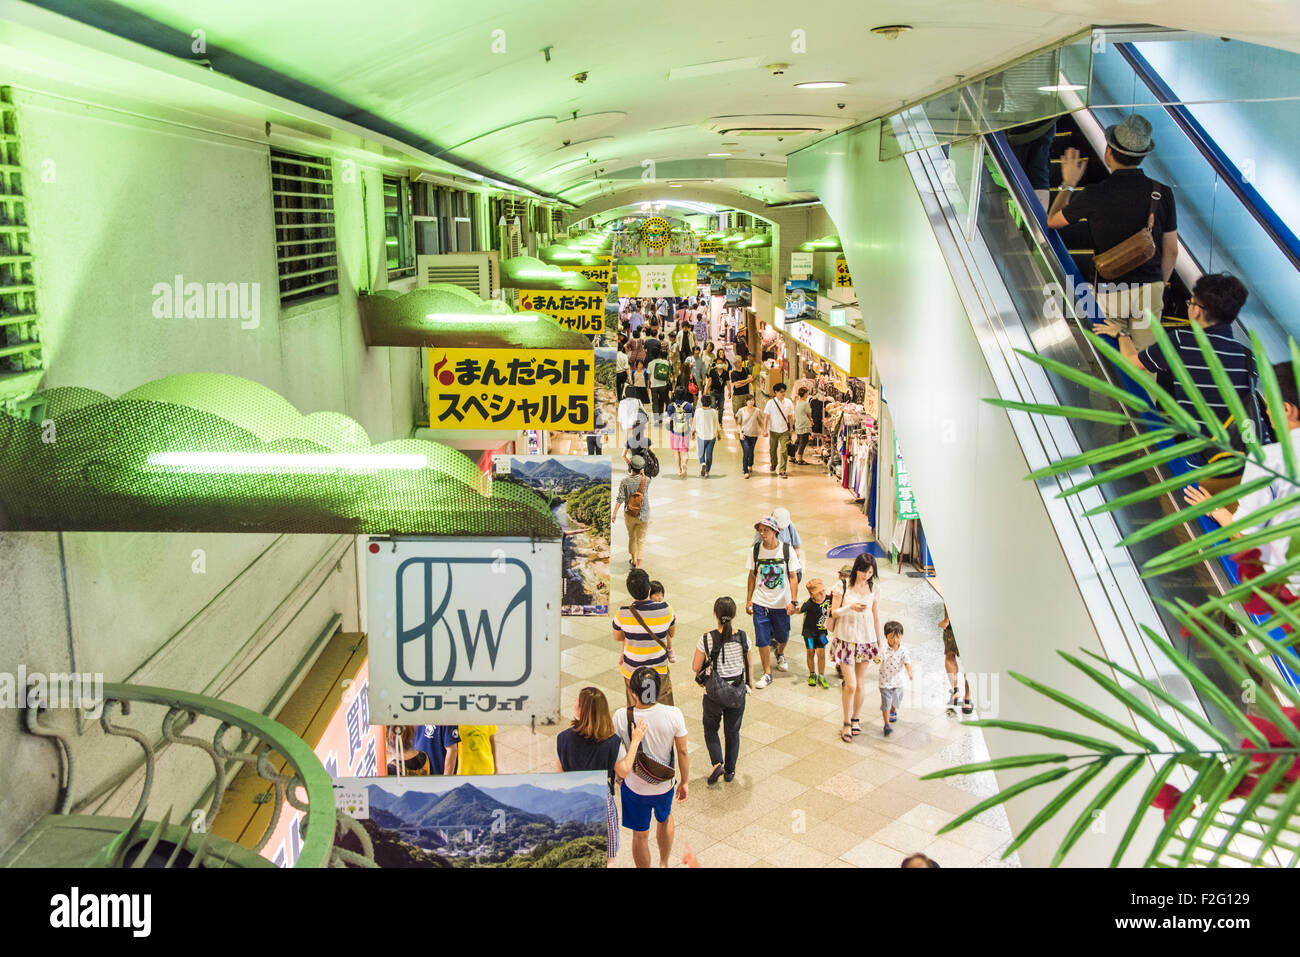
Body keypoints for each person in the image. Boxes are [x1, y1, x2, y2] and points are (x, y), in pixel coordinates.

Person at [1099, 273, 1260, 502]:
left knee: (1168, 496)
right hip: (1241, 470)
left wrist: (1122, 333)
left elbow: (1132, 364)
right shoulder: (1248, 357)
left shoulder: (1183, 341)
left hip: (1199, 463)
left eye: (1190, 302)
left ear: (1197, 310)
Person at [1047, 113, 1178, 351]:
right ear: (1143, 155)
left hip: (1110, 288)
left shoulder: (1095, 194)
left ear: (1109, 151)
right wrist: (1158, 285)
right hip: (1150, 289)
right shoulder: (1161, 193)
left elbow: (1053, 221)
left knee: (1111, 358)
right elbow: (1171, 251)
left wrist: (1068, 183)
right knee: (1146, 362)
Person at [1185, 360, 1300, 592]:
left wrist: (1214, 509)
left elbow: (1244, 535)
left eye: (1269, 404)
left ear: (1287, 409)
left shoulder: (1269, 459)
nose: (1267, 412)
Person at [613, 667, 688, 868]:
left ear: (632, 691)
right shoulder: (674, 714)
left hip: (634, 787)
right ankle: (664, 863)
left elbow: (614, 751)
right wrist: (685, 781)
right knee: (665, 819)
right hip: (664, 785)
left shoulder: (621, 716)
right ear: (659, 689)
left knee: (640, 835)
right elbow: (682, 752)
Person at [556, 687, 624, 862]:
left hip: (573, 804)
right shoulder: (613, 742)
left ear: (582, 711)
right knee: (606, 857)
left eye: (577, 703)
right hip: (601, 804)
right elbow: (623, 771)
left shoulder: (563, 739)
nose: (574, 704)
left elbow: (559, 776)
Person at [692, 596, 754, 784]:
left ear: (715, 614)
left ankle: (717, 763)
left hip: (713, 694)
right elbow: (749, 665)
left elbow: (696, 667)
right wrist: (749, 685)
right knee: (732, 732)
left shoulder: (706, 638)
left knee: (710, 729)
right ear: (734, 615)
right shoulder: (743, 637)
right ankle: (730, 771)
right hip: (736, 693)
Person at [829, 553, 884, 742]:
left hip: (866, 640)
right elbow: (834, 612)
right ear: (856, 569)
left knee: (860, 683)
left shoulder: (874, 589)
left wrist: (879, 643)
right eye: (863, 571)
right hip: (845, 640)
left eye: (869, 572)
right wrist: (850, 607)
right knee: (850, 684)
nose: (865, 575)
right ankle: (845, 721)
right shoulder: (842, 586)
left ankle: (855, 718)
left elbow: (875, 616)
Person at [746, 516, 802, 688]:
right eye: (760, 530)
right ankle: (767, 673)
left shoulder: (786, 550)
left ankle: (780, 653)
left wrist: (793, 601)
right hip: (761, 602)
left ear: (775, 532)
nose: (762, 534)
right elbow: (752, 575)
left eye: (766, 530)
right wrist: (749, 600)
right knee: (762, 639)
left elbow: (793, 576)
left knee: (783, 635)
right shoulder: (755, 550)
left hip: (782, 603)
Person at [613, 569, 677, 707]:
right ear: (649, 588)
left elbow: (617, 637)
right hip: (658, 669)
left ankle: (636, 728)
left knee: (635, 706)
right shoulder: (666, 609)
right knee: (663, 705)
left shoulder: (622, 613)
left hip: (632, 670)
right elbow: (671, 632)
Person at [877, 621, 913, 736]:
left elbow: (907, 662)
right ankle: (886, 724)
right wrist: (876, 659)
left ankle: (893, 710)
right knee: (886, 702)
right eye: (892, 637)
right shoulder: (883, 649)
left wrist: (909, 672)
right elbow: (878, 658)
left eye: (898, 637)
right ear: (886, 636)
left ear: (901, 636)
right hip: (885, 681)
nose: (895, 640)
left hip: (898, 681)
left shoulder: (903, 650)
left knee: (897, 699)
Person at [939, 607, 973, 715]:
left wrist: (947, 619)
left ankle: (955, 690)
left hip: (954, 622)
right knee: (970, 662)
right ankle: (967, 700)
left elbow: (948, 593)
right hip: (973, 624)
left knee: (950, 655)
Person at [799, 578, 832, 689]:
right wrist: (790, 610)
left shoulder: (828, 599)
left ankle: (821, 675)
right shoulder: (809, 603)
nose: (822, 594)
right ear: (812, 594)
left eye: (823, 590)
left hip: (822, 633)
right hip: (809, 634)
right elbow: (798, 610)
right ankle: (812, 674)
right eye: (819, 593)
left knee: (821, 654)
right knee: (811, 652)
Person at [763, 381, 795, 478]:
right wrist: (765, 430)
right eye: (781, 392)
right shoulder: (770, 403)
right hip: (773, 430)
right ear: (776, 392)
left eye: (784, 391)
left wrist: (791, 428)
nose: (783, 393)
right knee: (772, 450)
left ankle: (782, 470)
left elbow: (790, 417)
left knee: (784, 451)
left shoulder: (788, 402)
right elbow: (766, 417)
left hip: (784, 431)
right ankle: (774, 463)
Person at [665, 389, 694, 477]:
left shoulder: (671, 406)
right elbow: (692, 419)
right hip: (685, 431)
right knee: (684, 451)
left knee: (676, 452)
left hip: (674, 432)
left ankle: (679, 469)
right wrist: (693, 431)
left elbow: (668, 419)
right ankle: (684, 463)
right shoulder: (688, 406)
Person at [648, 579, 676, 662]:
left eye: (661, 595)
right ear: (649, 595)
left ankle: (670, 649)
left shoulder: (665, 607)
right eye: (657, 595)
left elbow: (672, 634)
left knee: (666, 631)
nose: (660, 598)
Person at [736, 393, 762, 478]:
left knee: (751, 452)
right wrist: (740, 433)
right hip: (744, 434)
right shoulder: (741, 410)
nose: (751, 402)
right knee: (746, 451)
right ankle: (745, 470)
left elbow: (760, 422)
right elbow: (739, 423)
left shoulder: (757, 411)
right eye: (749, 400)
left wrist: (764, 430)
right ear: (746, 402)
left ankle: (750, 464)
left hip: (754, 434)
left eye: (753, 400)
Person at [693, 393, 720, 477]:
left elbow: (694, 422)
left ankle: (702, 463)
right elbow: (717, 424)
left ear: (701, 402)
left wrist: (693, 432)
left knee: (701, 452)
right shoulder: (714, 412)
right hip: (711, 436)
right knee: (709, 454)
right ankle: (707, 471)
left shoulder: (698, 411)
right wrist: (718, 434)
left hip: (701, 435)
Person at [648, 351, 672, 427]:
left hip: (654, 385)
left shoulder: (650, 363)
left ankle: (656, 419)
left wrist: (648, 385)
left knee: (655, 402)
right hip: (663, 385)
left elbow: (649, 376)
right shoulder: (665, 362)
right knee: (661, 401)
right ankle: (661, 418)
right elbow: (668, 373)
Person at [792, 387, 814, 464]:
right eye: (807, 393)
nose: (808, 394)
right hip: (804, 425)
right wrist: (811, 420)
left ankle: (792, 456)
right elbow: (809, 415)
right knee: (803, 441)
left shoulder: (798, 402)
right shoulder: (806, 403)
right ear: (805, 394)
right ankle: (800, 459)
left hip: (798, 424)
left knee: (798, 441)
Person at [615, 335, 629, 403]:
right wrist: (629, 376)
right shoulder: (625, 356)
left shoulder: (613, 356)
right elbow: (626, 367)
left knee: (617, 386)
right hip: (623, 373)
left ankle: (618, 397)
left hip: (616, 373)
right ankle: (621, 397)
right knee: (623, 385)